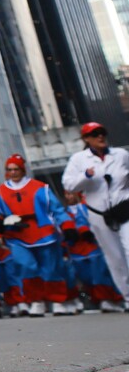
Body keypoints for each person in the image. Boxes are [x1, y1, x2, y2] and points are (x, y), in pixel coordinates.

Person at [0, 154, 69, 316]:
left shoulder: (40, 187)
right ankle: (36, 301)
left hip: (43, 233)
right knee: (26, 267)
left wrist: (67, 225)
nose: (13, 172)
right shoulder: (0, 192)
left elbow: (56, 209)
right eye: (9, 170)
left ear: (23, 170)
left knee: (51, 268)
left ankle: (57, 301)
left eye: (16, 169)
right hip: (17, 235)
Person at [62, 122, 129, 301]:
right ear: (86, 139)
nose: (100, 136)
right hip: (99, 214)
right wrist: (85, 176)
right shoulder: (78, 159)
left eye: (102, 132)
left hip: (124, 209)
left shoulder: (121, 155)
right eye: (94, 134)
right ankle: (127, 295)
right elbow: (68, 184)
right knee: (115, 257)